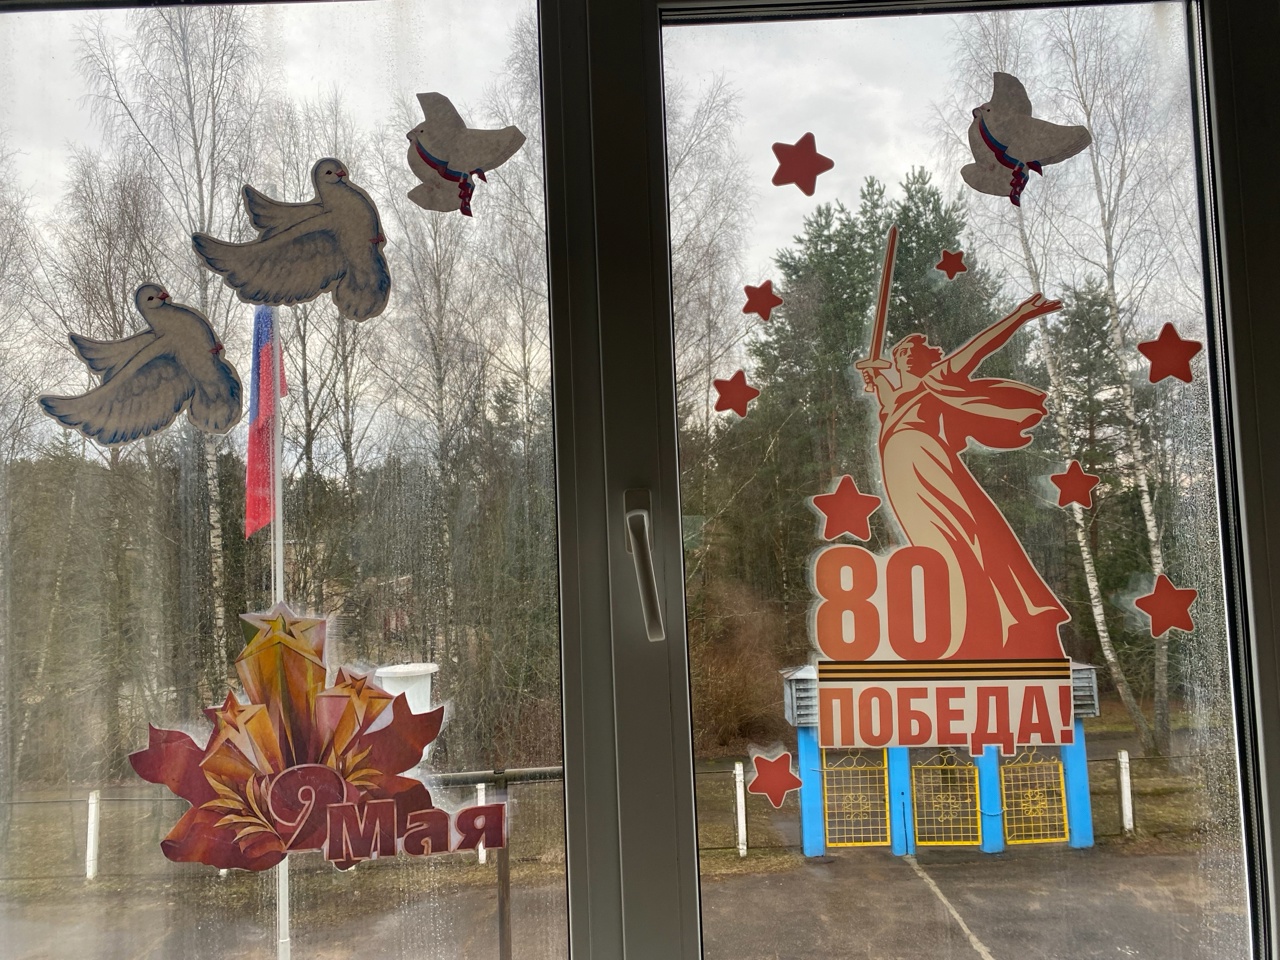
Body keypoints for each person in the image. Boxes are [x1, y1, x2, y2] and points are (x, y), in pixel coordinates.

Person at [856, 293, 1068, 660]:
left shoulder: (936, 379)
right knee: (933, 542)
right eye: (922, 348)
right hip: (903, 472)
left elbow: (980, 347)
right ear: (904, 359)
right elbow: (889, 396)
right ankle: (963, 629)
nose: (935, 350)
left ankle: (986, 629)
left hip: (925, 462)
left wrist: (1019, 316)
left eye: (928, 349)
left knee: (959, 537)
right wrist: (875, 373)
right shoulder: (897, 397)